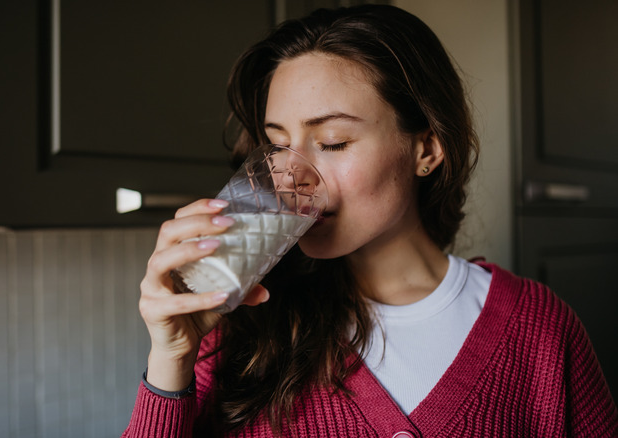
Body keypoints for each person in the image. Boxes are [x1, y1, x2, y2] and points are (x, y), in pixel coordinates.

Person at [124, 5, 618, 437]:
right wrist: (172, 359)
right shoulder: (241, 321)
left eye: (334, 141)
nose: (293, 179)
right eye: (278, 145)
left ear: (426, 148)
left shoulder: (540, 330)